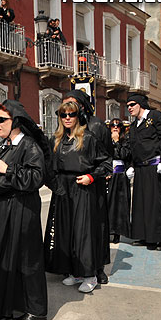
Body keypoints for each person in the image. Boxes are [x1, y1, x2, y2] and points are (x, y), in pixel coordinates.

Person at [0, 100, 49, 320]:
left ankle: (35, 310)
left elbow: (35, 178)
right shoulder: (1, 144)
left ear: (16, 122)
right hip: (1, 208)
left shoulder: (29, 146)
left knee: (25, 258)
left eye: (1, 120)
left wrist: (9, 169)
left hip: (21, 208)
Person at [44, 101, 111, 293]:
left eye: (71, 114)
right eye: (63, 114)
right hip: (62, 190)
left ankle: (90, 274)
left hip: (82, 189)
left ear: (77, 116)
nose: (67, 118)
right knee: (66, 232)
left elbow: (107, 162)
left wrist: (91, 176)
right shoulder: (56, 139)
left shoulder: (88, 138)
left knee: (83, 233)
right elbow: (49, 166)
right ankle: (74, 271)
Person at [62, 90, 112, 284]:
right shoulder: (66, 127)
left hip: (94, 184)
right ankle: (76, 268)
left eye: (72, 104)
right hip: (73, 187)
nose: (69, 111)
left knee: (96, 227)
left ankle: (97, 268)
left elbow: (107, 155)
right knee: (76, 228)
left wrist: (95, 175)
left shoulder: (97, 126)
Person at [125, 93, 161, 250]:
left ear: (140, 104)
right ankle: (145, 236)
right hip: (141, 168)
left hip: (157, 168)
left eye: (132, 104)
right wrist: (132, 165)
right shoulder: (134, 125)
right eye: (128, 106)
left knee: (158, 204)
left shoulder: (156, 117)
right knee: (142, 205)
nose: (129, 108)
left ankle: (160, 239)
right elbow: (134, 147)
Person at [107, 119, 131, 243]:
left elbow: (123, 154)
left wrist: (117, 142)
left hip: (120, 177)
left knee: (118, 206)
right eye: (113, 126)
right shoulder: (105, 140)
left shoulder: (125, 141)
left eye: (117, 126)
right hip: (108, 175)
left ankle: (117, 232)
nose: (115, 128)